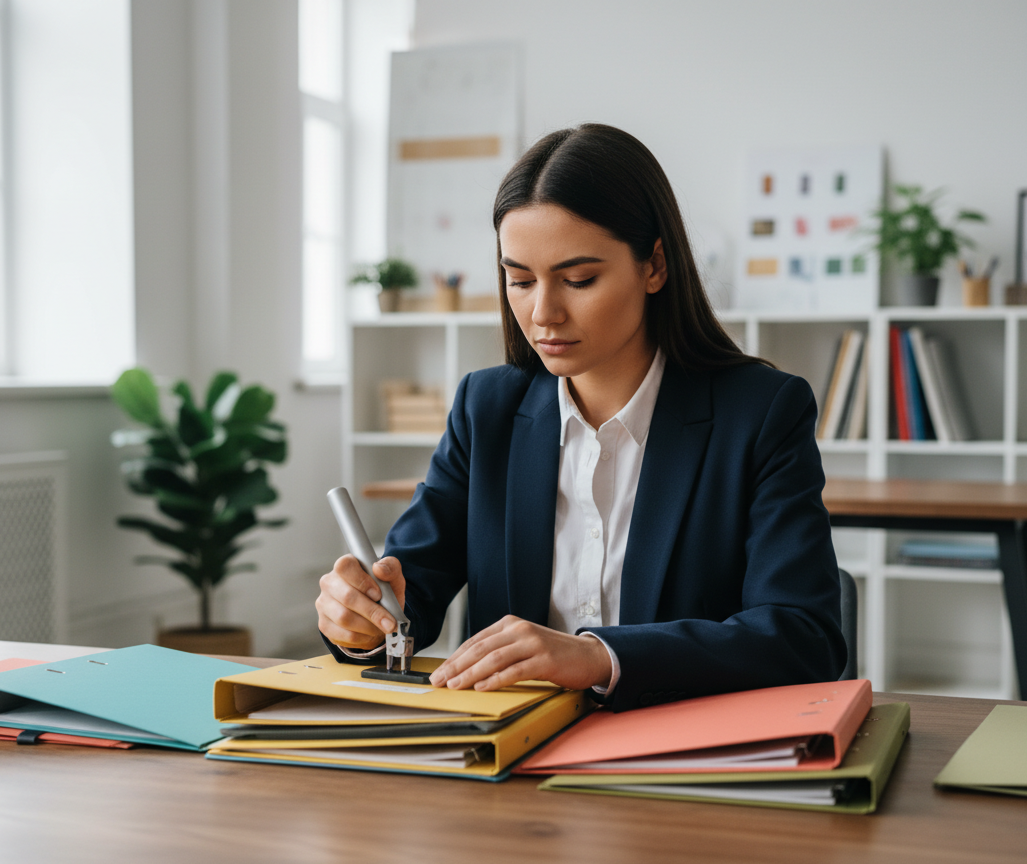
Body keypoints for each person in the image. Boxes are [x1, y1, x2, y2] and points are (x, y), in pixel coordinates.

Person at [316, 124, 845, 712]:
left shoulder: (761, 413)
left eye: (578, 280)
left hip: (677, 766)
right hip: (505, 765)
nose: (543, 312)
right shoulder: (485, 409)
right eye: (519, 280)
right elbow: (408, 596)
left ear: (655, 266)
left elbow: (806, 637)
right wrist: (359, 621)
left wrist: (600, 657)